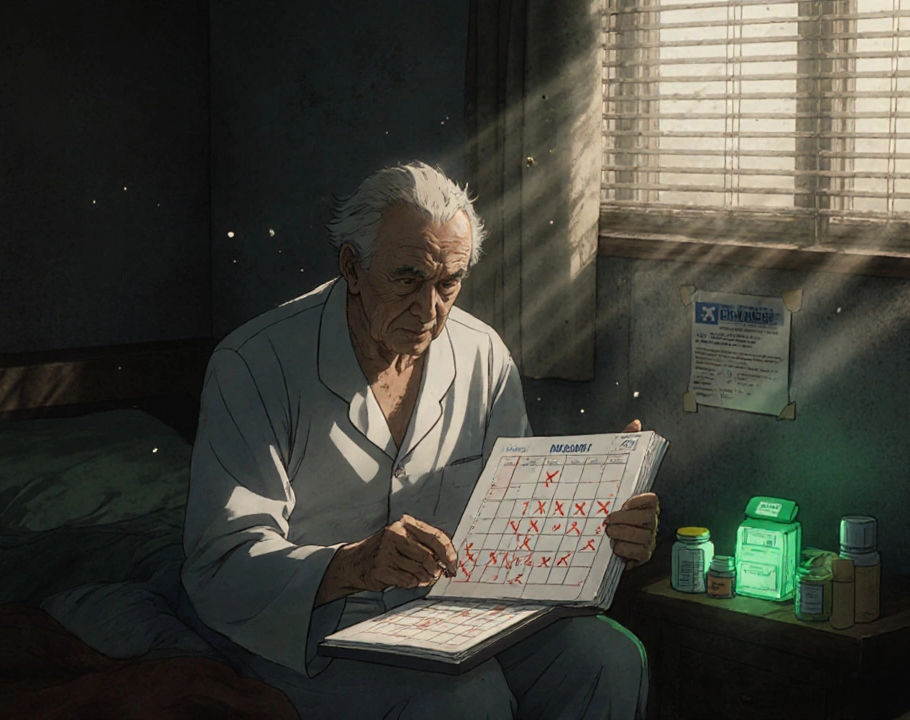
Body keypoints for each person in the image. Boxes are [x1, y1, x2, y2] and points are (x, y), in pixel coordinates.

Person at [180, 161, 661, 719]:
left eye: (448, 282)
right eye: (408, 279)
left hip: (453, 615)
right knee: (464, 701)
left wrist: (606, 526)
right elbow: (223, 560)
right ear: (351, 268)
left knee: (611, 659)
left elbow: (509, 520)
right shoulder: (257, 363)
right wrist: (354, 564)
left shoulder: (483, 354)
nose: (430, 310)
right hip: (315, 625)